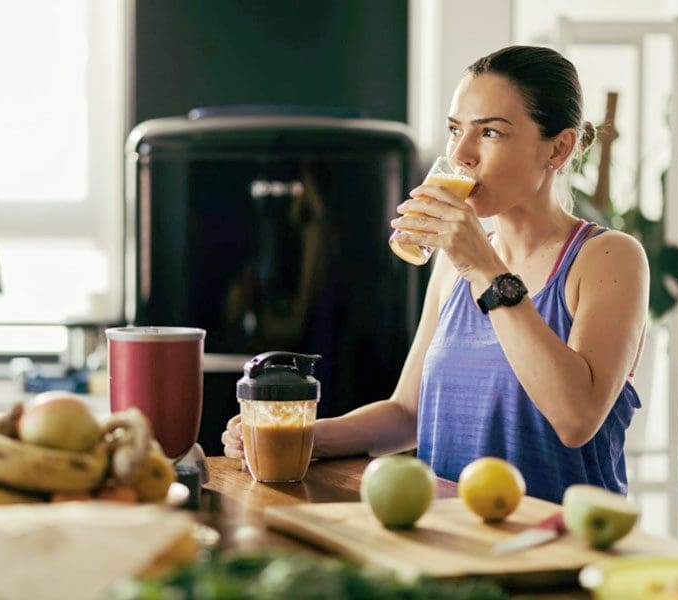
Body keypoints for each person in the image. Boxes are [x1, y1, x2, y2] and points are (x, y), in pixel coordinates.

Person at [222, 45, 648, 504]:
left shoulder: (608, 258)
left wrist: (484, 268)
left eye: (490, 132)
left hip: (557, 547)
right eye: (454, 130)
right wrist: (290, 436)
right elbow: (408, 413)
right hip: (451, 539)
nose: (462, 153)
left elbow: (576, 419)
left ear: (559, 148)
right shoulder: (453, 262)